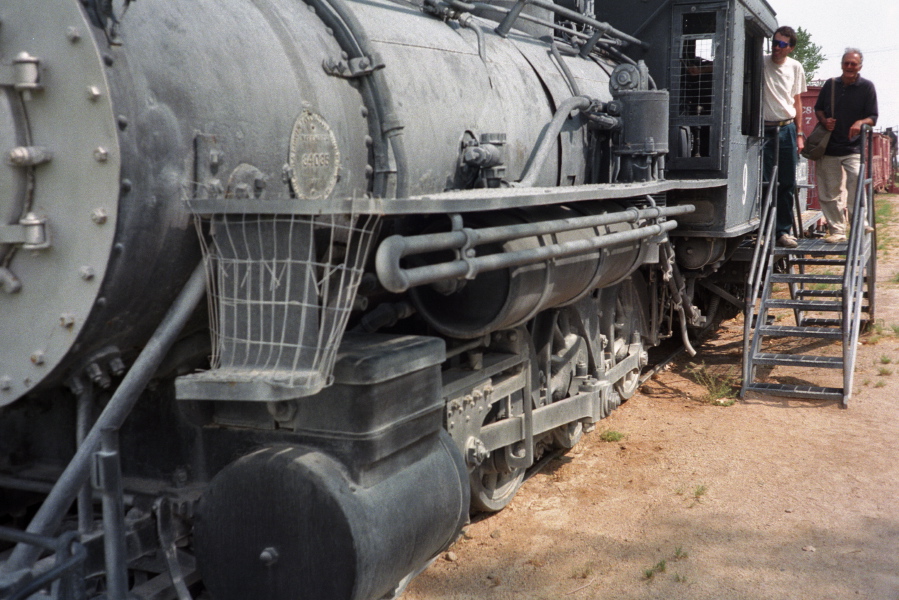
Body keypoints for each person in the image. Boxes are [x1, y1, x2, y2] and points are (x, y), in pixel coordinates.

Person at [814, 48, 878, 243]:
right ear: (842, 64)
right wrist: (824, 121)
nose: (849, 67)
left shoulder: (867, 87)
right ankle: (837, 230)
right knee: (829, 192)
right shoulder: (831, 85)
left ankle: (859, 224)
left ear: (860, 66)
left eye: (853, 64)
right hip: (829, 147)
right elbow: (818, 109)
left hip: (853, 148)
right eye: (846, 63)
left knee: (857, 183)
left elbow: (873, 117)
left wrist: (860, 123)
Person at [762, 26, 807, 248]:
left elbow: (797, 101)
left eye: (781, 45)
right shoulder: (761, 62)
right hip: (762, 131)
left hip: (787, 129)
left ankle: (782, 232)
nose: (776, 48)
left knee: (786, 182)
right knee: (763, 181)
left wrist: (799, 134)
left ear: (790, 48)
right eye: (774, 43)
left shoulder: (795, 67)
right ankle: (762, 230)